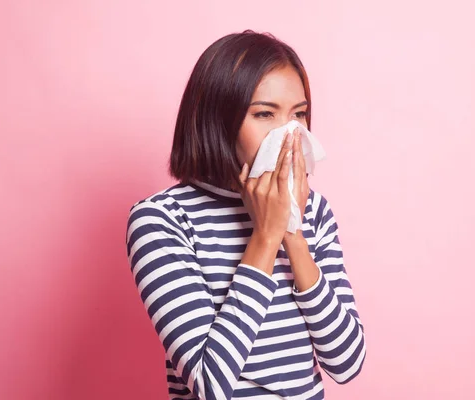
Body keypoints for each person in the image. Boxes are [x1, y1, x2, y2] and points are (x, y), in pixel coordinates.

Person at [125, 30, 366, 400]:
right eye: (264, 114)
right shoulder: (162, 221)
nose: (289, 134)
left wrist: (292, 230)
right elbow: (211, 385)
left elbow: (347, 362)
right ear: (218, 121)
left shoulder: (314, 211)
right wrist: (266, 237)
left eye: (298, 114)